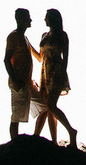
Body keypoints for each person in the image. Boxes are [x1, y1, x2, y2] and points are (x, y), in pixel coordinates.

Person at [33, 8, 77, 147]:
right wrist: (28, 46)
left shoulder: (62, 35)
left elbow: (66, 58)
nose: (44, 19)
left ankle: (71, 132)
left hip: (56, 72)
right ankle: (53, 141)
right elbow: (40, 57)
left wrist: (62, 75)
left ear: (53, 19)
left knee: (51, 105)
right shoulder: (44, 35)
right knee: (49, 107)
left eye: (46, 17)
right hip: (45, 72)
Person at [4, 8, 41, 139]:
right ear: (21, 20)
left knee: (45, 106)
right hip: (18, 83)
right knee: (16, 116)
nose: (30, 20)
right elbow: (6, 59)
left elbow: (39, 57)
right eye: (27, 18)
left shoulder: (24, 38)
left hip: (28, 83)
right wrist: (15, 80)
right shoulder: (13, 37)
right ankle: (14, 144)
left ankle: (36, 136)